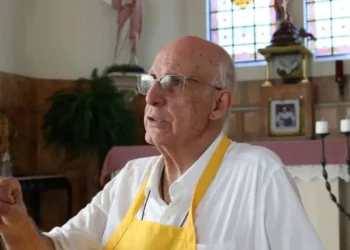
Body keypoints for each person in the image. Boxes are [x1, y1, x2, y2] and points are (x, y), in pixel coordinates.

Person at [0, 36, 325, 250]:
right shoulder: (130, 177)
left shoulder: (256, 175)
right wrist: (13, 220)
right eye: (150, 82)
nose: (151, 98)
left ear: (219, 104)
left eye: (173, 83)